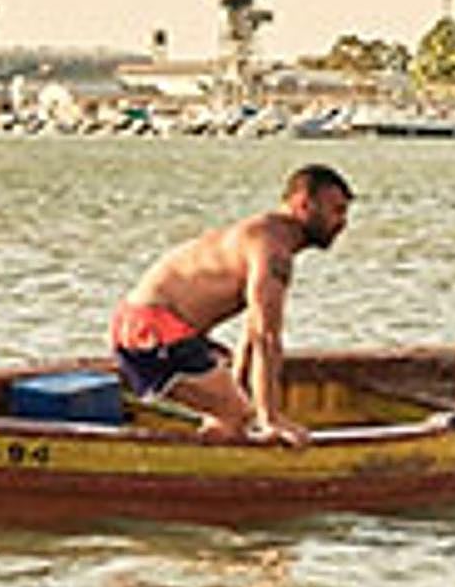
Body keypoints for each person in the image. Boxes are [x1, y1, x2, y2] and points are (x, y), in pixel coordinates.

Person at [110, 164, 354, 444]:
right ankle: (201, 471)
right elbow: (267, 338)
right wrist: (270, 418)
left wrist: (238, 388)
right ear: (303, 205)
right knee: (238, 415)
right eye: (337, 211)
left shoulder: (270, 240)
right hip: (152, 330)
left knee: (229, 401)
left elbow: (252, 334)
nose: (342, 223)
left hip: (151, 326)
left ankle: (209, 464)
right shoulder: (271, 250)